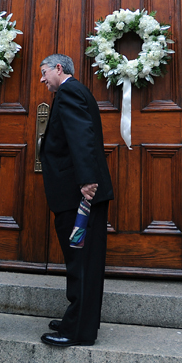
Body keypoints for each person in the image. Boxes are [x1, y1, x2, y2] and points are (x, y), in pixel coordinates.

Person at [38, 53, 114, 347]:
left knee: (81, 262)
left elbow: (81, 136)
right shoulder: (73, 91)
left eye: (45, 72)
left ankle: (77, 330)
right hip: (78, 192)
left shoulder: (69, 91)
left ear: (59, 68)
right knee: (81, 261)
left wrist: (87, 180)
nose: (43, 79)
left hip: (81, 194)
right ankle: (79, 320)